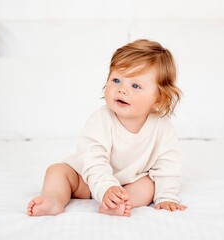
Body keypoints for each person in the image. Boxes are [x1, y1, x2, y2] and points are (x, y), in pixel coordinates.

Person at [27, 39, 187, 217]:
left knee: (149, 184)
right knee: (57, 171)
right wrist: (106, 188)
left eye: (135, 85)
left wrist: (167, 197)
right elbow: (93, 159)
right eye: (116, 80)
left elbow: (168, 166)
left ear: (158, 99)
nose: (122, 89)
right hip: (87, 179)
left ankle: (119, 204)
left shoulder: (162, 129)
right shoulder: (100, 120)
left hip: (128, 183)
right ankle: (54, 200)